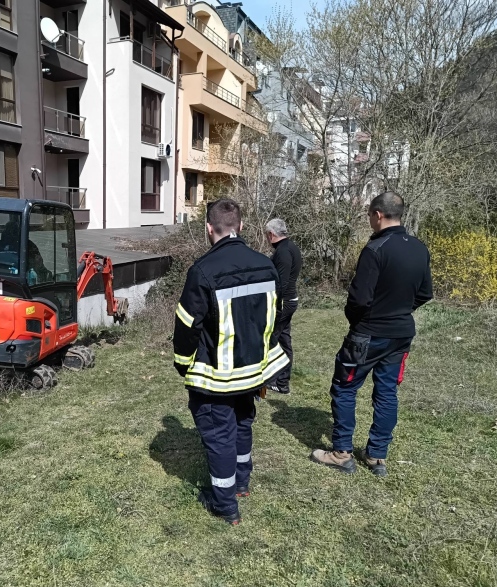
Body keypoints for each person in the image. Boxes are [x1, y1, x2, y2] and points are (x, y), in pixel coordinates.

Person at [173, 198, 289, 524]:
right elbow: (274, 317)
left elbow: (186, 326)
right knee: (243, 424)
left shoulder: (202, 271)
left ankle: (224, 504)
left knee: (220, 434)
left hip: (219, 377)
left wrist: (183, 364)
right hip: (255, 372)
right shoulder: (266, 265)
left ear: (209, 229)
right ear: (240, 226)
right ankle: (241, 482)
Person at [311, 192, 433, 476]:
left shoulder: (375, 248)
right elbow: (425, 293)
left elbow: (358, 300)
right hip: (401, 335)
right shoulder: (419, 248)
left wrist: (359, 322)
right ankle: (377, 456)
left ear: (378, 215)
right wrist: (401, 310)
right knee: (387, 392)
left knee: (344, 388)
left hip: (368, 335)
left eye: (369, 215)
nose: (369, 220)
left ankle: (341, 452)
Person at [265, 219, 302, 395]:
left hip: (283, 303)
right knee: (284, 341)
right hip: (289, 301)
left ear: (272, 234)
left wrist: (274, 306)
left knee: (270, 339)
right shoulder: (290, 247)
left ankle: (272, 380)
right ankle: (282, 383)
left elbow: (282, 282)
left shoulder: (283, 252)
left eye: (267, 235)